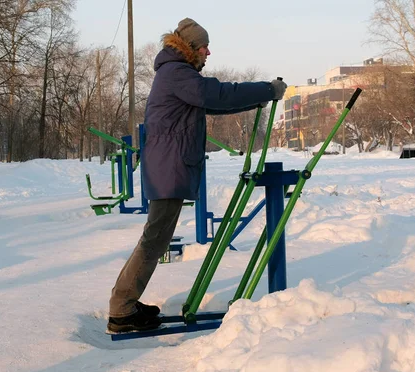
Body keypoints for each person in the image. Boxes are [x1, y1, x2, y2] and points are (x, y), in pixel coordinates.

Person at [107, 18, 287, 333]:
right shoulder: (177, 73)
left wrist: (258, 98)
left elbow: (212, 105)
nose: (208, 52)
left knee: (156, 238)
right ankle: (121, 309)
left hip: (168, 166)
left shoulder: (176, 74)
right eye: (204, 46)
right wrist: (267, 88)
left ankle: (125, 305)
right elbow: (217, 94)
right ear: (190, 48)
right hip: (168, 167)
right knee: (154, 240)